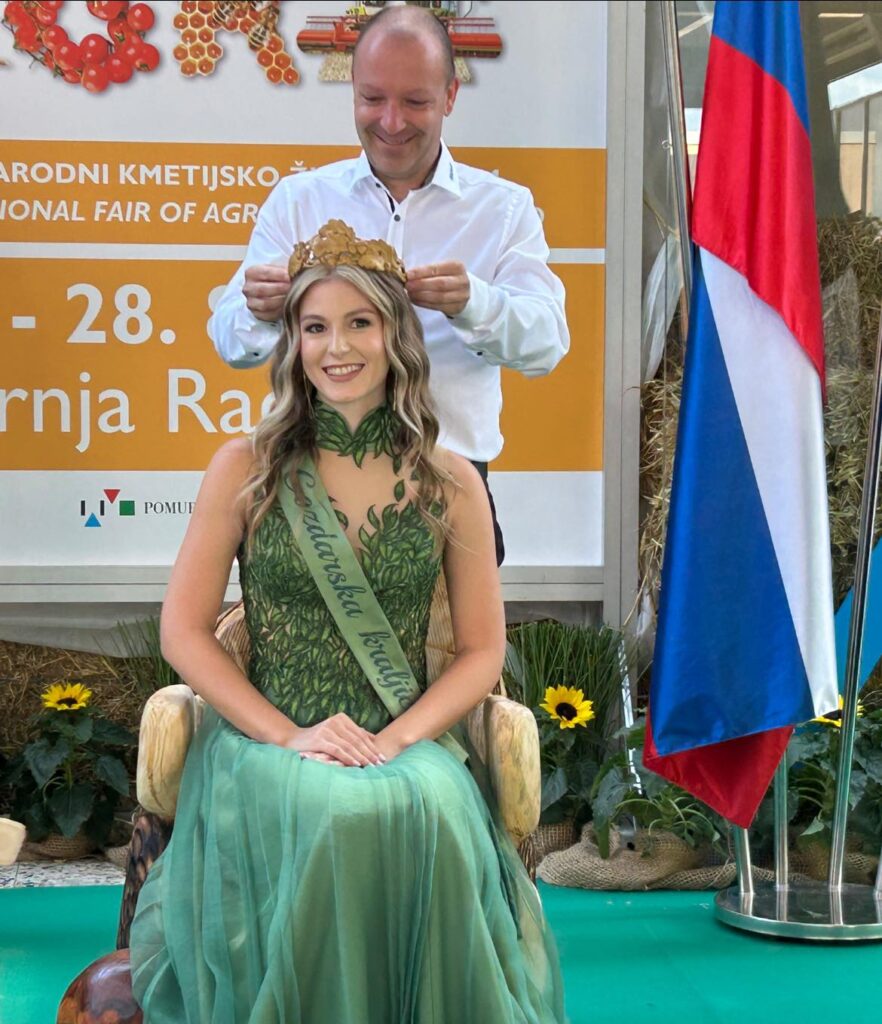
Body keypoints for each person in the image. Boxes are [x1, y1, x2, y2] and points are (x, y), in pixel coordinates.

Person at [130, 221, 567, 1023]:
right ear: (292, 342)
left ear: (396, 336)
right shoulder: (246, 468)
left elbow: (481, 651)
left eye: (359, 322)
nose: (337, 347)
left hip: (401, 737)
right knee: (340, 813)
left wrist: (398, 741)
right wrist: (289, 735)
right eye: (315, 327)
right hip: (267, 745)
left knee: (430, 806)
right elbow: (184, 632)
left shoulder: (452, 480)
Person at [208, 4, 569, 564]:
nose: (392, 122)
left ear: (450, 96)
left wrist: (475, 303)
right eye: (373, 98)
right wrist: (258, 310)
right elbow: (230, 342)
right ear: (352, 90)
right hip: (312, 494)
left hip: (449, 491)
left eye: (415, 101)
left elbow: (546, 344)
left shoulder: (502, 209)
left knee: (459, 627)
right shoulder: (299, 201)